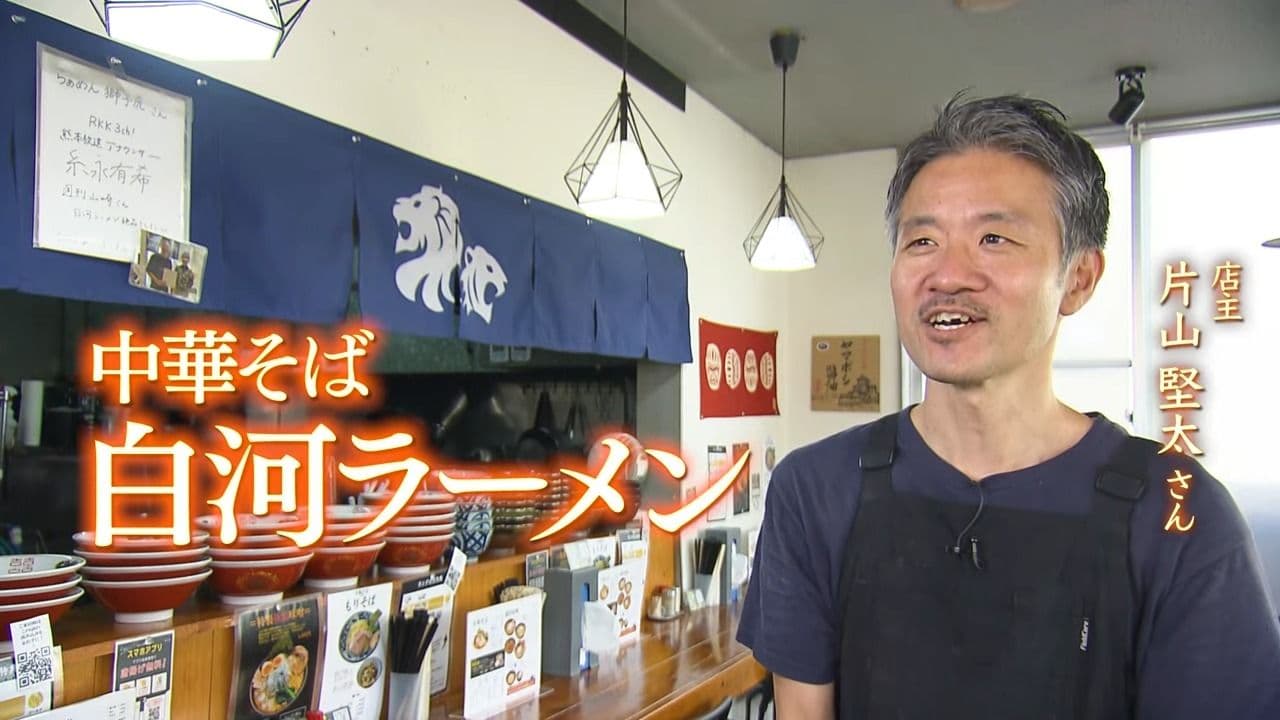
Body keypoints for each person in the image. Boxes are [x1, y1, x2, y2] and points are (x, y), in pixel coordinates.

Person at [737, 94, 1280, 719]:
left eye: (993, 238)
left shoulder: (1179, 513)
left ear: (1078, 279)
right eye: (922, 241)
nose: (947, 275)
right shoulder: (815, 490)